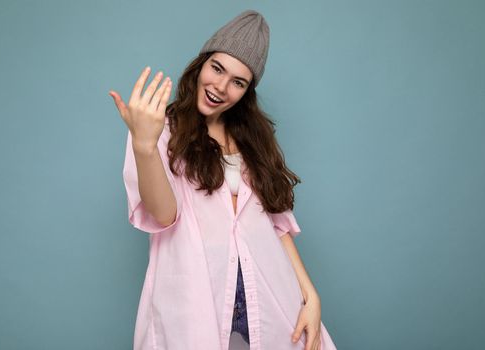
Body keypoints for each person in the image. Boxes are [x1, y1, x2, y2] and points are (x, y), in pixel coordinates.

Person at [109, 9, 337, 350]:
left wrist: (311, 296)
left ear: (247, 91)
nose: (221, 87)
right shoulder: (160, 128)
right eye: (217, 68)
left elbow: (277, 223)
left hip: (270, 296)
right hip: (199, 296)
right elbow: (165, 215)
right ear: (201, 64)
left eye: (238, 82)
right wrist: (144, 146)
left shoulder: (253, 140)